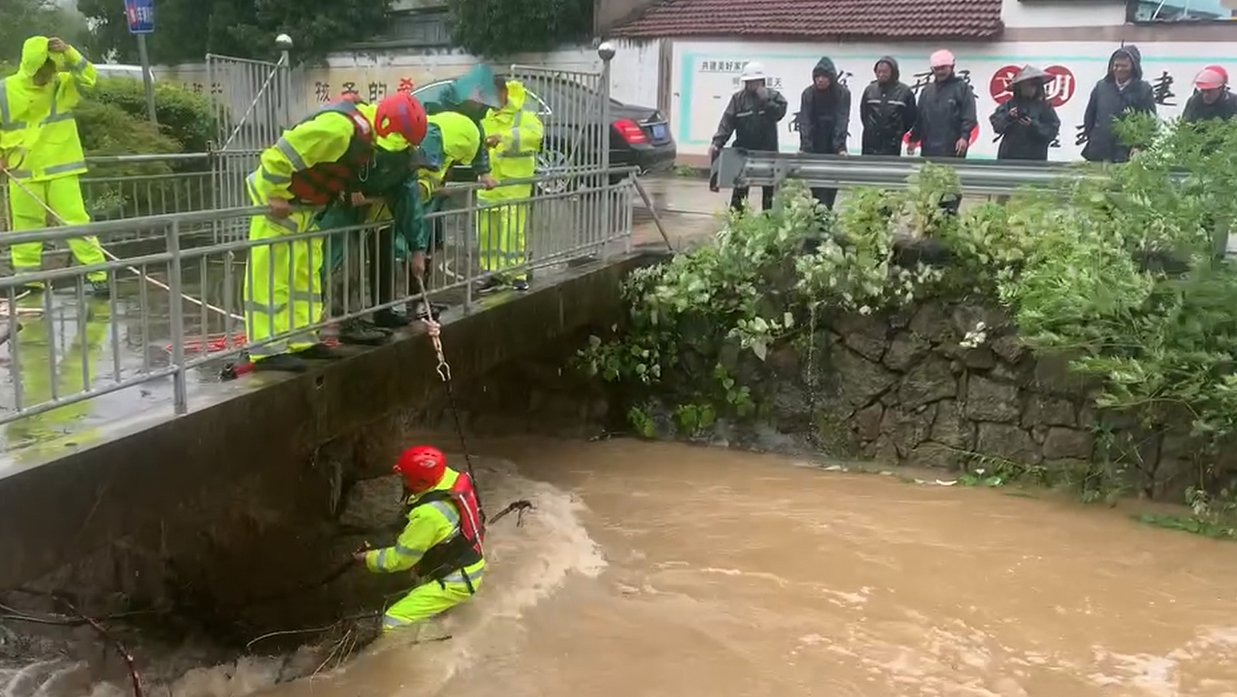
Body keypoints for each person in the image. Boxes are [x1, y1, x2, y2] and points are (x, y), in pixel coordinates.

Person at [242, 91, 428, 372]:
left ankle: (301, 340)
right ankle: (266, 349)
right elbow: (282, 152)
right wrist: (274, 193)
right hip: (279, 202)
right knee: (273, 274)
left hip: (304, 206)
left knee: (303, 274)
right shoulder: (340, 128)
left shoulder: (369, 135)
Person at [0, 36, 108, 294]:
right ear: (30, 67)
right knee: (25, 227)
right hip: (22, 169)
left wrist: (69, 52)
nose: (46, 78)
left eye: (50, 71)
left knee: (75, 222)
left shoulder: (62, 84)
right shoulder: (5, 90)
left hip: (61, 166)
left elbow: (90, 78)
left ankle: (98, 275)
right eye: (42, 73)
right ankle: (28, 281)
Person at [356, 444, 486, 633]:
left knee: (393, 621)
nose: (401, 479)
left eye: (404, 476)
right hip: (460, 561)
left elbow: (401, 560)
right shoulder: (446, 477)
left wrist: (366, 559)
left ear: (418, 483)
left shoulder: (428, 516)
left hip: (457, 579)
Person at [477, 78, 544, 292]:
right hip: (489, 187)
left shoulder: (524, 116)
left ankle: (517, 274)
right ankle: (493, 273)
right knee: (487, 233)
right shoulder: (486, 118)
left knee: (513, 232)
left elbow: (535, 137)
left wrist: (503, 137)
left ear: (505, 92)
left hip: (515, 185)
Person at [709, 61, 788, 213]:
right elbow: (727, 121)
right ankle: (736, 224)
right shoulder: (738, 99)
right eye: (749, 81)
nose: (752, 84)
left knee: (769, 193)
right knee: (740, 190)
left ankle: (768, 223)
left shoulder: (774, 96)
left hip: (767, 151)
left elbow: (780, 114)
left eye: (755, 81)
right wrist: (717, 142)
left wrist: (767, 102)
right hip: (743, 151)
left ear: (762, 81)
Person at [1081, 45, 1156, 163]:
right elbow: (1090, 116)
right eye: (1116, 65)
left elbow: (1149, 122)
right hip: (1099, 151)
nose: (1119, 69)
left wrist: (1140, 146)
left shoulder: (1144, 90)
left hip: (1127, 153)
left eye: (1124, 66)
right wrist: (1095, 138)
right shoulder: (1102, 86)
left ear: (1134, 67)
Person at [796, 57, 850, 211]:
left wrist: (840, 146)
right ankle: (817, 218)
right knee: (815, 185)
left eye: (824, 77)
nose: (820, 80)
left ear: (831, 78)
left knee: (831, 183)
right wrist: (805, 146)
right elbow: (805, 120)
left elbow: (842, 119)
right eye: (817, 77)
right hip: (814, 144)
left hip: (833, 145)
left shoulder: (842, 93)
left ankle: (827, 216)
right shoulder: (808, 93)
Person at [908, 49, 977, 160]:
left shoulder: (962, 88)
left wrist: (964, 137)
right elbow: (920, 118)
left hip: (953, 148)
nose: (940, 72)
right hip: (928, 148)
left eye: (943, 68)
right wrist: (913, 139)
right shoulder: (927, 90)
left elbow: (969, 116)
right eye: (937, 69)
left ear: (952, 66)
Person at [989, 65, 1061, 161]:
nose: (1030, 88)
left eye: (1033, 85)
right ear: (1019, 87)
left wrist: (1033, 125)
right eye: (1026, 85)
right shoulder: (1009, 104)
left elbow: (1052, 130)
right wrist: (1008, 117)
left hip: (1036, 157)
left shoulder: (1045, 107)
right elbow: (997, 125)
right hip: (1009, 156)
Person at [861, 56, 918, 157]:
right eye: (879, 71)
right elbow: (864, 114)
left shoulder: (905, 92)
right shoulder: (869, 90)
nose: (881, 74)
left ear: (893, 72)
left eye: (885, 71)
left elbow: (910, 117)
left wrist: (898, 131)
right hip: (870, 143)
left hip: (892, 143)